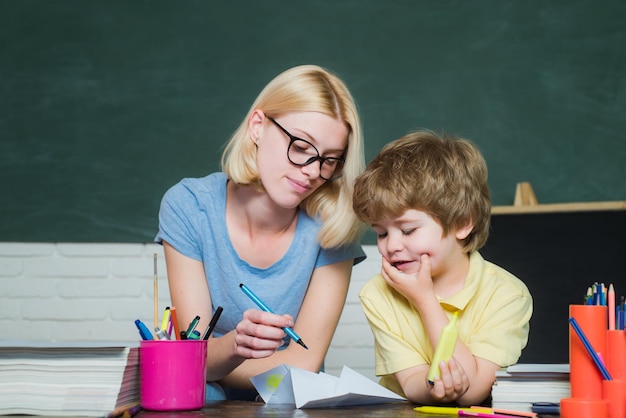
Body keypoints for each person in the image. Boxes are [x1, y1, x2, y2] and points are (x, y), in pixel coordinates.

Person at [155, 65, 366, 401]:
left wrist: (213, 362)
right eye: (300, 146)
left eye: (330, 160)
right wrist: (234, 347)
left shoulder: (333, 225)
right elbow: (191, 353)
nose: (313, 172)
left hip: (287, 403)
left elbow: (305, 363)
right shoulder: (189, 207)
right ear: (258, 127)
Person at [352, 131, 532, 406]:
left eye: (408, 230)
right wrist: (433, 388)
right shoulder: (378, 293)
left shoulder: (508, 295)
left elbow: (472, 391)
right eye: (381, 233)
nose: (391, 246)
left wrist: (424, 300)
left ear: (462, 223)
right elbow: (412, 381)